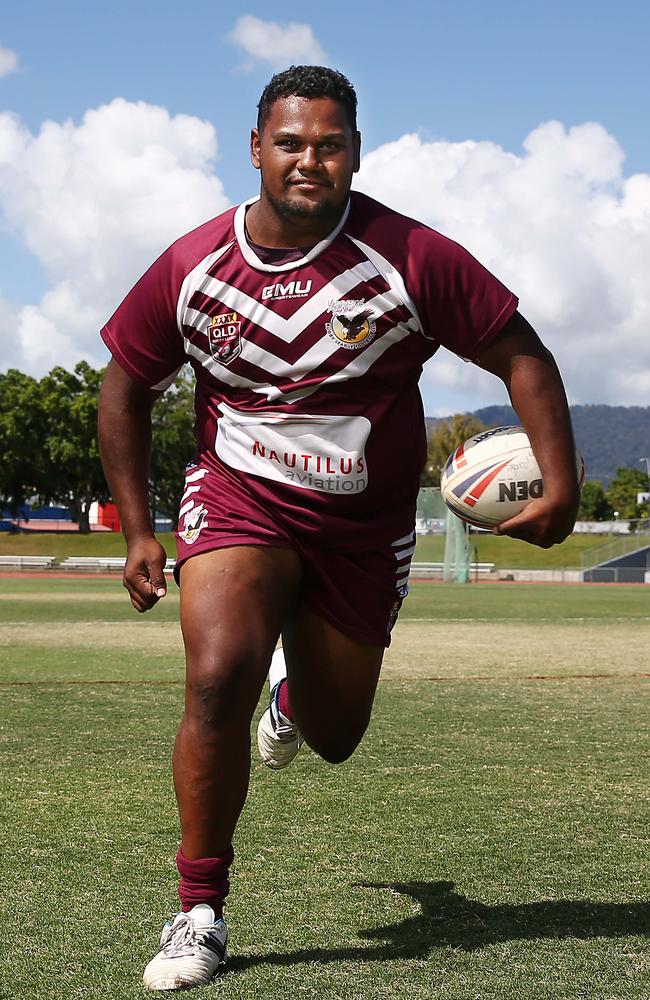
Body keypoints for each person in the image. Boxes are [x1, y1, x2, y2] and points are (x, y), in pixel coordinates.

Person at [98, 65, 580, 991]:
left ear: (355, 152)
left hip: (362, 531)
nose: (309, 160)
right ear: (255, 149)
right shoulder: (194, 264)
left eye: (329, 143)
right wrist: (139, 531)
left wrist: (559, 483)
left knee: (334, 734)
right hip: (236, 499)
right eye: (290, 142)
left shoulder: (413, 257)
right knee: (216, 673)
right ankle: (199, 910)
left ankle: (294, 700)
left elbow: (522, 352)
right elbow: (125, 385)